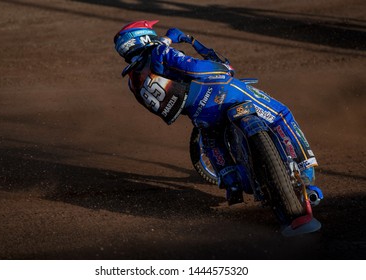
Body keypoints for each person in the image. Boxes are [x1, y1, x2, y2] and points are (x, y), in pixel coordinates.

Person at [114, 20, 321, 205]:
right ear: (142, 39)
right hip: (221, 91)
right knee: (281, 115)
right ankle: (306, 174)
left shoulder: (134, 81)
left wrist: (181, 41)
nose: (156, 37)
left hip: (197, 111)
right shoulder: (159, 52)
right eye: (151, 34)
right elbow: (195, 68)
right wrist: (220, 67)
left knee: (212, 138)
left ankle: (232, 184)